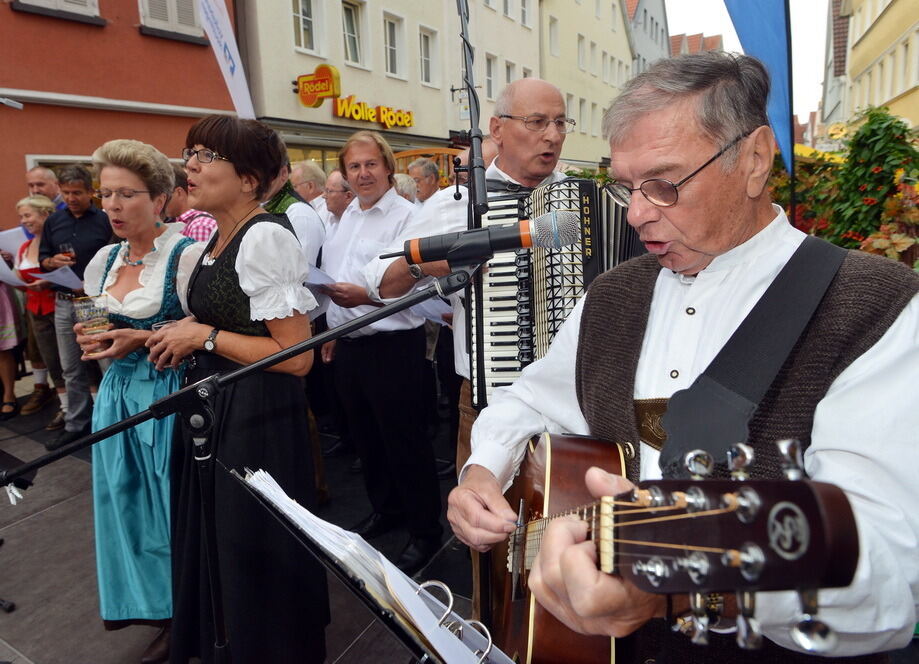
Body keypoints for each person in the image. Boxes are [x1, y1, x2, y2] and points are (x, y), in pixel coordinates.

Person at [448, 52, 919, 662]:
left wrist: (681, 586)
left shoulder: (872, 305)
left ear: (753, 160)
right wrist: (484, 470)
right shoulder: (613, 295)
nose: (638, 213)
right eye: (625, 187)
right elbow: (532, 398)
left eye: (665, 183)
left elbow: (885, 556)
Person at [146, 115, 328, 663]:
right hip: (217, 410)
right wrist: (152, 335)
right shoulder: (215, 236)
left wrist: (204, 334)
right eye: (189, 152)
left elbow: (298, 358)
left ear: (248, 178)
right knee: (219, 540)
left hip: (256, 418)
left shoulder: (266, 237)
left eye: (205, 155)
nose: (190, 166)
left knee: (249, 545)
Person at [74, 139, 204, 664]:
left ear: (160, 199)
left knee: (172, 508)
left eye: (127, 195)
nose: (113, 206)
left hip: (171, 395)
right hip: (116, 396)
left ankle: (192, 615)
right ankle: (159, 609)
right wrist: (94, 341)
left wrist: (143, 339)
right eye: (106, 194)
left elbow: (209, 327)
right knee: (127, 506)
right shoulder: (101, 260)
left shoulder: (187, 255)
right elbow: (92, 329)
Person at [320, 129, 442, 576]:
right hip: (350, 344)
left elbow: (424, 290)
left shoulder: (410, 217)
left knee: (405, 443)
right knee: (367, 439)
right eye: (354, 166)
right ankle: (387, 510)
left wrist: (367, 299)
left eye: (370, 164)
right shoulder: (346, 214)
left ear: (388, 166)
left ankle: (425, 531)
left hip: (393, 346)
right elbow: (337, 279)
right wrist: (333, 329)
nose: (363, 173)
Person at [39, 164, 113, 449]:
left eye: (77, 193)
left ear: (90, 191)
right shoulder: (53, 222)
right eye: (66, 192)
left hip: (93, 301)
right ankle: (76, 424)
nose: (71, 198)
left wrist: (92, 283)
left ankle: (110, 423)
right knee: (70, 366)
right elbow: (43, 258)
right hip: (62, 301)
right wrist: (51, 263)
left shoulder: (104, 220)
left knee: (106, 363)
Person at [13, 195, 66, 428]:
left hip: (58, 305)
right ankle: (65, 406)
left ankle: (86, 404)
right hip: (35, 309)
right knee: (50, 359)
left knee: (72, 362)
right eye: (21, 216)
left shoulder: (56, 243)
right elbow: (17, 277)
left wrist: (49, 282)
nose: (24, 221)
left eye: (27, 215)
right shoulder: (24, 247)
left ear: (45, 214)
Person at [164, 163, 216, 243]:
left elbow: (198, 256)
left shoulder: (199, 226)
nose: (161, 202)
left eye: (165, 196)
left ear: (179, 193)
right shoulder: (182, 223)